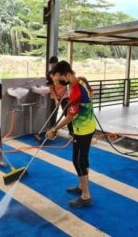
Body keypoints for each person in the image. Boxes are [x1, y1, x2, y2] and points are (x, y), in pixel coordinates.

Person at [46, 61, 95, 208]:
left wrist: (53, 130)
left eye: (60, 80)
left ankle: (86, 196)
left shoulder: (75, 91)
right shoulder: (81, 79)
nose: (58, 83)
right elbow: (91, 93)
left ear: (68, 75)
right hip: (87, 127)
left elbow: (69, 117)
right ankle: (81, 186)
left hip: (83, 130)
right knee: (80, 159)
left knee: (79, 161)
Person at [46, 56, 73, 136]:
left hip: (65, 96)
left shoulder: (64, 72)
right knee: (53, 114)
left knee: (67, 114)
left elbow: (71, 81)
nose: (53, 67)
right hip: (54, 96)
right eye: (52, 66)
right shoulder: (50, 74)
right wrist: (55, 99)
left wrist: (70, 92)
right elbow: (51, 88)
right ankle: (53, 131)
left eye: (54, 65)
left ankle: (71, 131)